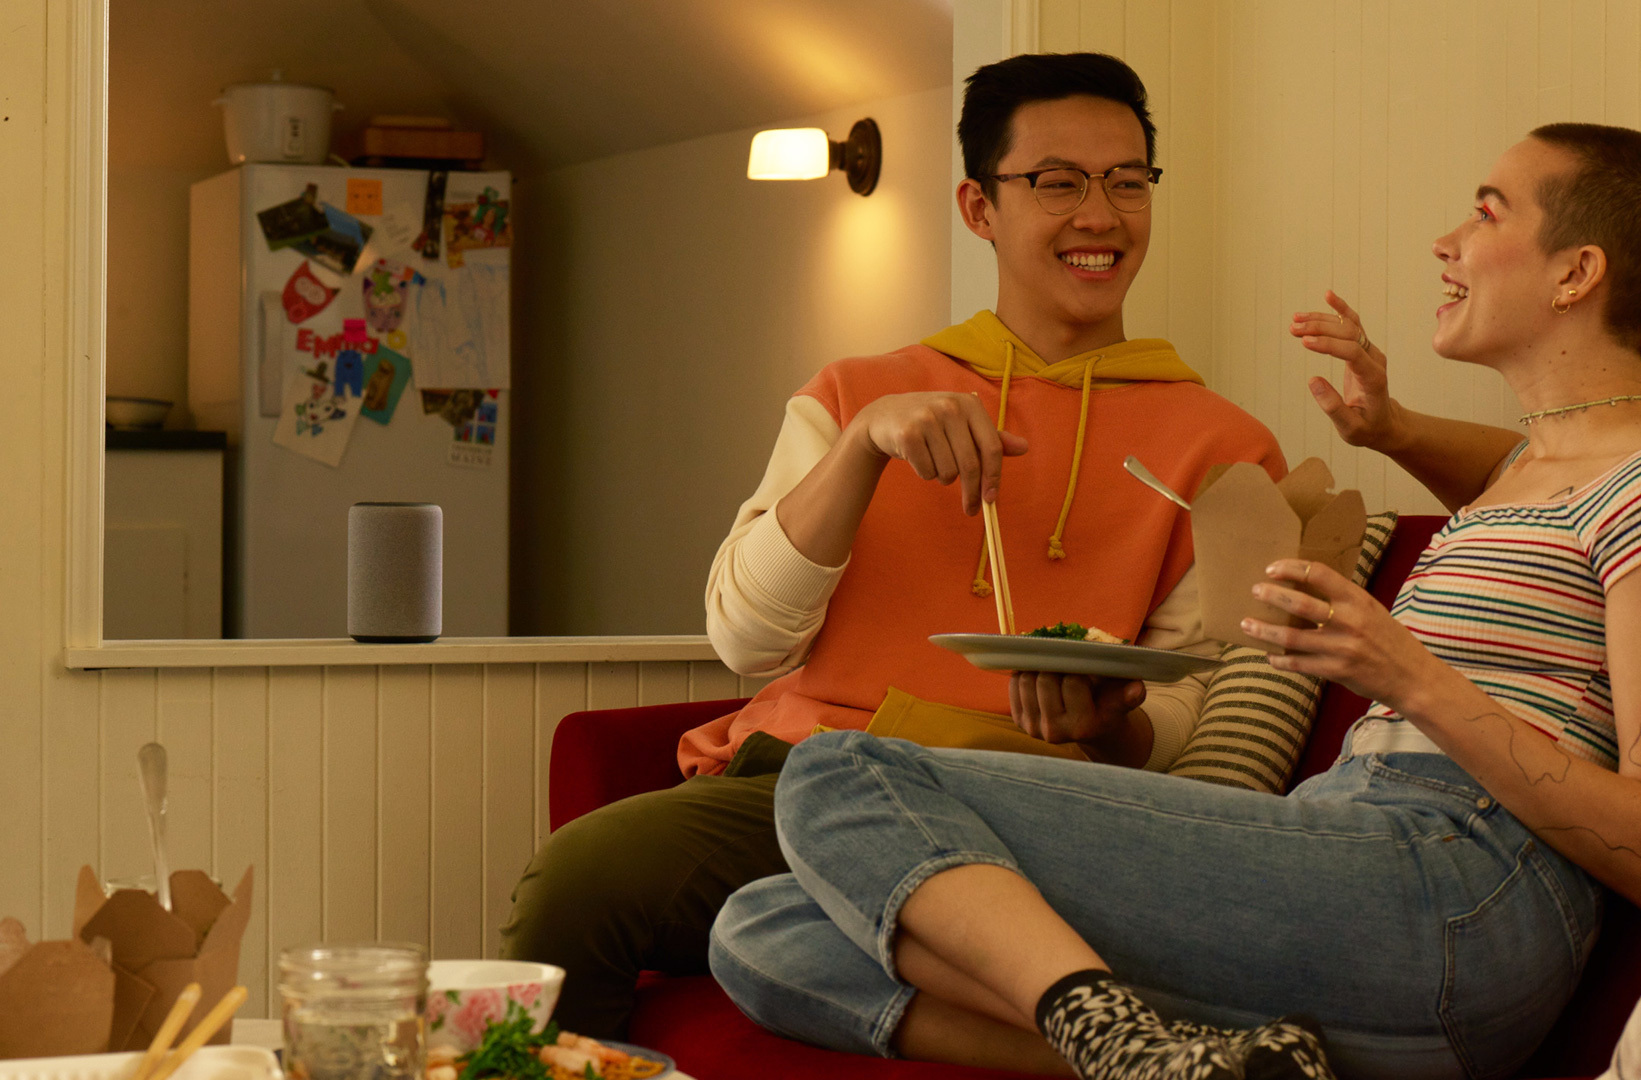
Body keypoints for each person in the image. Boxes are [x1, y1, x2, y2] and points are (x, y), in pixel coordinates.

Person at [707, 122, 1641, 1080]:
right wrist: (1384, 426)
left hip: (1458, 894)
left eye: (1485, 211)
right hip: (1347, 857)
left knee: (839, 776)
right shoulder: (1531, 471)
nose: (1446, 242)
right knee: (763, 927)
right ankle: (1198, 1064)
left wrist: (1408, 677)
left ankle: (1100, 1030)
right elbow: (1531, 464)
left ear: (1577, 271)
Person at [501, 52, 1289, 1036]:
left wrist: (1108, 724)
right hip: (811, 780)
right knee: (582, 880)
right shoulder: (855, 393)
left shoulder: (1225, 448)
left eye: (1127, 182)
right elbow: (746, 644)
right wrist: (862, 450)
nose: (1101, 214)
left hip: (1029, 812)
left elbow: (1193, 703)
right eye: (1058, 183)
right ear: (978, 207)